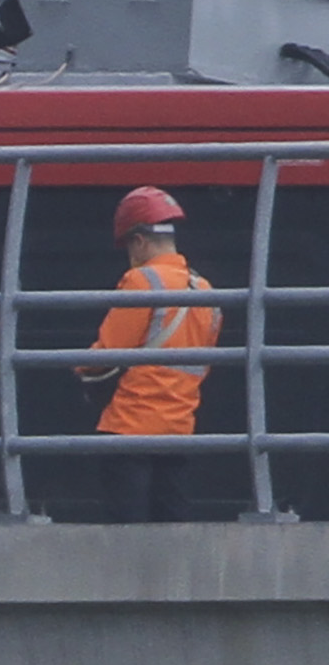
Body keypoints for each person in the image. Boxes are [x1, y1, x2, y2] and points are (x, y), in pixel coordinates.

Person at [83, 185, 218, 521]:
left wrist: (77, 366)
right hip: (179, 430)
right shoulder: (207, 291)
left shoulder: (141, 281)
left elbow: (104, 357)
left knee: (127, 534)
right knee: (172, 529)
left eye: (128, 246)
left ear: (139, 241)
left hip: (130, 428)